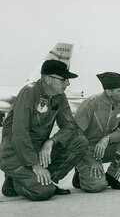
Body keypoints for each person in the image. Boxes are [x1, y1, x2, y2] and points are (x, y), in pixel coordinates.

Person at [0, 60, 87, 201]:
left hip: (38, 150)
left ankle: (46, 181)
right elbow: (19, 133)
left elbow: (70, 126)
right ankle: (18, 182)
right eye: (64, 79)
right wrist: (35, 164)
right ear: (48, 79)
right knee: (43, 192)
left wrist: (52, 141)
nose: (68, 84)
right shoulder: (29, 92)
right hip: (14, 153)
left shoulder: (59, 97)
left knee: (80, 141)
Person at [72, 72, 120, 192]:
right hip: (86, 151)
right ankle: (80, 170)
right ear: (108, 92)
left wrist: (107, 138)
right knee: (97, 186)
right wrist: (91, 161)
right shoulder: (90, 104)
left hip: (105, 147)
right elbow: (75, 136)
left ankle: (111, 176)